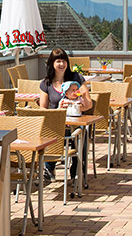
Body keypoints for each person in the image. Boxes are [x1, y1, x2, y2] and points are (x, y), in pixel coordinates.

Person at [40, 49, 93, 180]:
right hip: (56, 124)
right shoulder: (46, 83)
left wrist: (82, 99)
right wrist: (57, 110)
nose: (62, 64)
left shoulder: (76, 78)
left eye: (64, 61)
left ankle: (76, 170)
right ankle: (49, 168)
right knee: (50, 132)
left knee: (81, 133)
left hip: (76, 122)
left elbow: (89, 105)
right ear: (52, 63)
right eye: (58, 61)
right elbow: (42, 108)